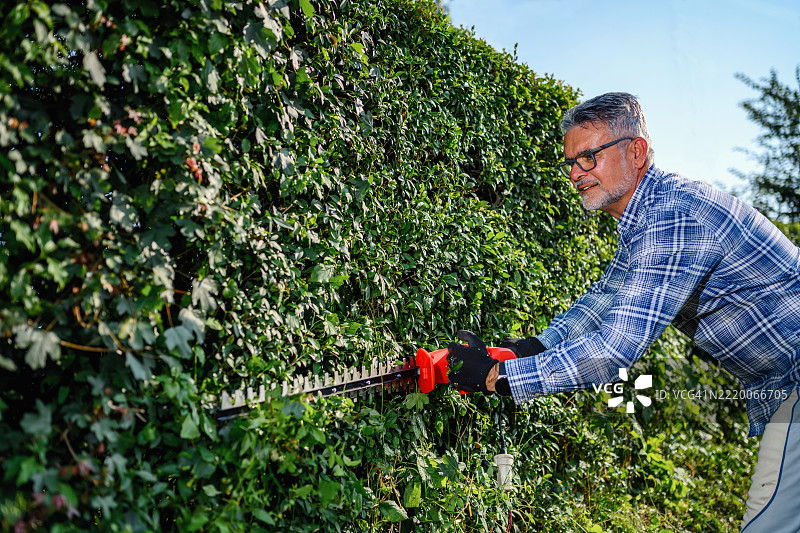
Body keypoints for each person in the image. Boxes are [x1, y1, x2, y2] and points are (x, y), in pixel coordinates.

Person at [447, 92, 800, 532]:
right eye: (571, 162)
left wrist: (499, 378)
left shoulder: (673, 216)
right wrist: (530, 349)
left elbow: (613, 350)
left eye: (589, 157)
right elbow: (604, 299)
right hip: (784, 382)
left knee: (770, 522)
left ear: (636, 151)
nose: (576, 174)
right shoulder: (646, 217)